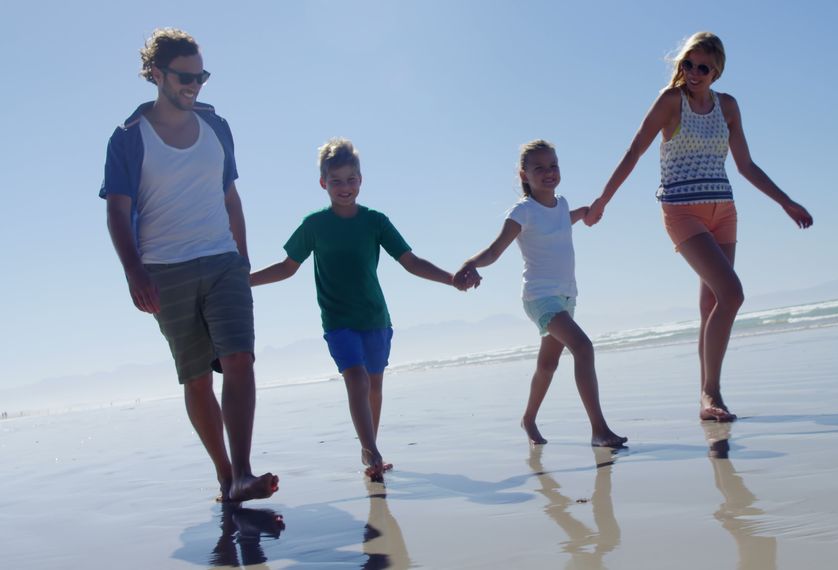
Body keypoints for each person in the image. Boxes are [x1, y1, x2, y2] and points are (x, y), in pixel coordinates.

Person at [584, 32, 814, 422]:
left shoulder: (729, 107)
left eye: (702, 67)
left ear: (717, 71)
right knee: (733, 294)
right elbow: (634, 151)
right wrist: (603, 200)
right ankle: (711, 395)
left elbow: (745, 165)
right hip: (681, 211)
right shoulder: (671, 101)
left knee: (712, 303)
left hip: (723, 211)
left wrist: (785, 201)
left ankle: (710, 395)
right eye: (687, 63)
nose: (692, 72)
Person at [100, 28, 277, 502]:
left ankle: (243, 472)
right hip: (164, 269)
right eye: (185, 76)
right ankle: (224, 474)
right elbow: (117, 211)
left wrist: (242, 257)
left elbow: (230, 196)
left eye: (201, 76)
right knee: (196, 375)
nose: (194, 85)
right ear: (156, 74)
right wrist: (135, 272)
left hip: (222, 260)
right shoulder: (127, 139)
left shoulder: (217, 127)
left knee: (239, 358)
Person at [249, 137, 476, 481]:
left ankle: (370, 445)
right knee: (355, 378)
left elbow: (410, 262)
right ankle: (372, 453)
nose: (344, 187)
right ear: (323, 182)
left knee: (373, 385)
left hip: (375, 318)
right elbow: (286, 267)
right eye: (336, 180)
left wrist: (451, 279)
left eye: (350, 179)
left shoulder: (375, 221)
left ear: (361, 180)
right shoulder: (314, 225)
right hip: (339, 321)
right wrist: (244, 281)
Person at [455, 140, 627, 447]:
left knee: (548, 365)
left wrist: (587, 212)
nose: (548, 173)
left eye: (553, 166)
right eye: (539, 168)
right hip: (540, 297)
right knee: (583, 348)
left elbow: (564, 220)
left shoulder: (560, 205)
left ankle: (528, 419)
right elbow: (496, 250)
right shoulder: (522, 212)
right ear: (524, 175)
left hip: (567, 296)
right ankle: (599, 430)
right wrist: (471, 262)